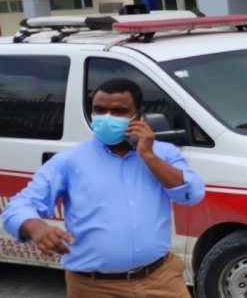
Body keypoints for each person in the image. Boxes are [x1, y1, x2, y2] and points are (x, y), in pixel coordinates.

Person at [2, 77, 204, 298]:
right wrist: (36, 227)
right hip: (95, 287)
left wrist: (147, 155)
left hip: (161, 279)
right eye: (99, 110)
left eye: (119, 111)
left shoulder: (163, 153)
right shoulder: (70, 161)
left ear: (138, 114)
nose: (107, 118)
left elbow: (191, 194)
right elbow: (18, 207)